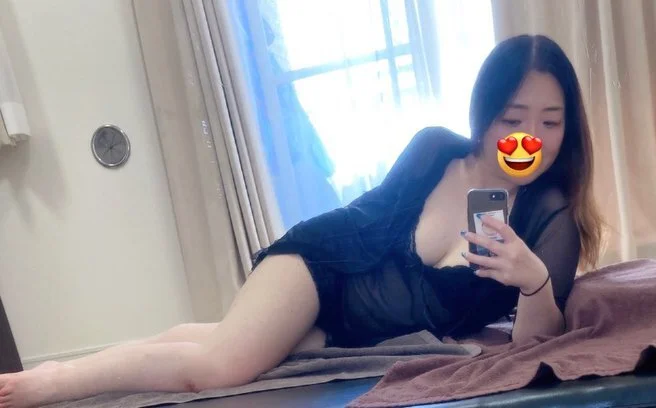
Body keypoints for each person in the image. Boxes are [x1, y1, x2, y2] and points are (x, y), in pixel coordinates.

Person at [0, 33, 604, 408]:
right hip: (320, 269)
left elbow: (534, 347)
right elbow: (360, 223)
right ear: (484, 114)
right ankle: (51, 385)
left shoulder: (550, 216)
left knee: (217, 338)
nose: (529, 137)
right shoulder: (435, 149)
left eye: (549, 122)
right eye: (512, 118)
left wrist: (532, 280)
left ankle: (73, 366)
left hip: (347, 331)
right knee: (219, 366)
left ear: (568, 127)